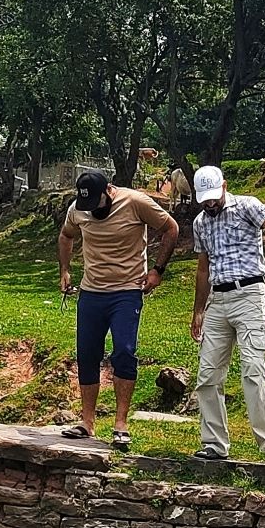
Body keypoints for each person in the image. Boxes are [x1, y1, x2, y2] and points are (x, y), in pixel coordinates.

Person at [190, 165, 265, 465]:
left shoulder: (247, 206)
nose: (209, 203)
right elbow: (203, 269)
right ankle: (214, 444)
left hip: (249, 295)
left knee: (254, 369)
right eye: (204, 199)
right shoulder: (200, 222)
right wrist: (198, 310)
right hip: (218, 299)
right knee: (208, 374)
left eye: (213, 196)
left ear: (224, 186)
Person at [58, 170, 179, 448]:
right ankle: (87, 422)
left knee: (124, 351)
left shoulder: (135, 202)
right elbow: (66, 236)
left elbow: (171, 228)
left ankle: (121, 423)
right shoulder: (78, 209)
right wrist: (64, 269)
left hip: (126, 292)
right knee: (87, 354)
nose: (92, 209)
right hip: (91, 292)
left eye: (96, 202)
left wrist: (157, 270)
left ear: (109, 190)